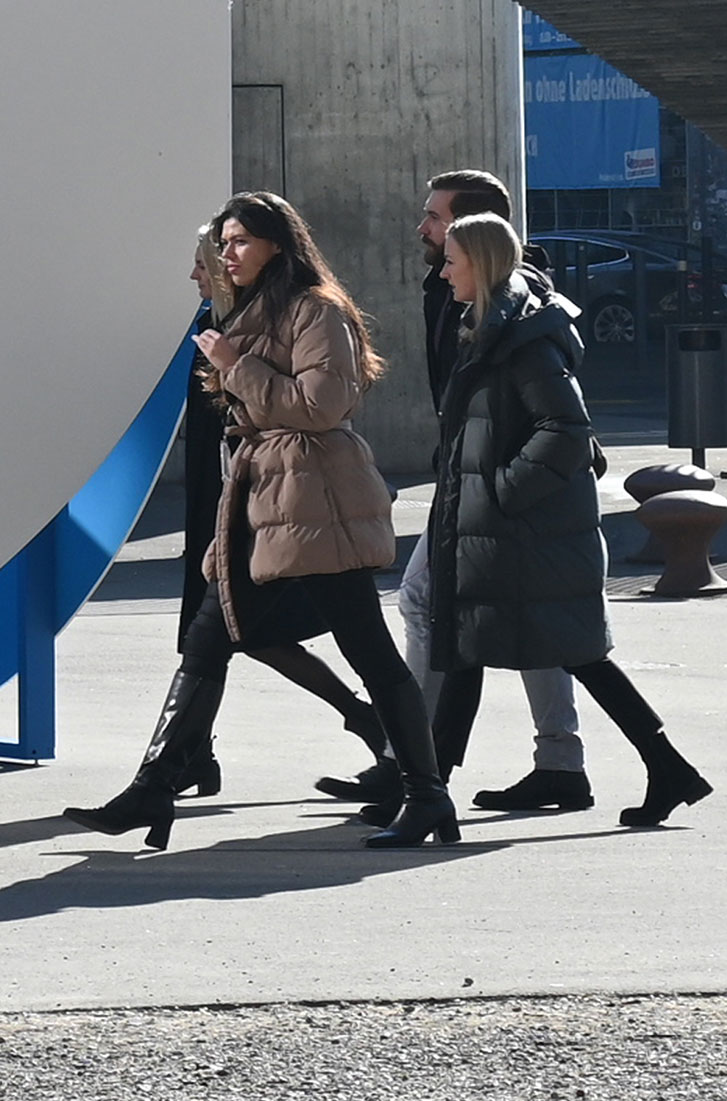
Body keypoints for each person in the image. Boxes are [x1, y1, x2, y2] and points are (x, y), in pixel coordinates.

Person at [64, 193, 447, 851]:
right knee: (208, 640)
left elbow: (320, 407)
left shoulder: (316, 310)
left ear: (278, 243)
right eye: (225, 242)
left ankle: (427, 795)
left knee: (369, 649)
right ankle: (153, 787)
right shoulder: (250, 311)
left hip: (314, 497)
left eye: (240, 241)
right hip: (260, 498)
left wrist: (236, 366)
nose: (228, 255)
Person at [381, 212, 711, 844]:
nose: (442, 271)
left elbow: (565, 430)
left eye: (452, 259)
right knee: (473, 649)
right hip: (497, 528)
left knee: (543, 651)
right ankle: (432, 795)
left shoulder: (523, 337)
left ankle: (430, 797)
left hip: (522, 532)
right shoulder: (493, 326)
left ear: (480, 261)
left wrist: (502, 493)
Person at [321, 169, 593, 817]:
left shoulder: (516, 308)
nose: (424, 231)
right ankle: (540, 763)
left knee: (439, 607)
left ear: (476, 233)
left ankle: (417, 766)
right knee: (524, 622)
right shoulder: (451, 291)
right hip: (470, 483)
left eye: (437, 220)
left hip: (493, 494)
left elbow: (561, 424)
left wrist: (499, 487)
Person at [164, 239, 393, 799]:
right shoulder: (215, 327)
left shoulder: (278, 323)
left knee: (259, 633)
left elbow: (306, 408)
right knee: (216, 635)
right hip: (229, 502)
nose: (195, 272)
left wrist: (234, 366)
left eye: (206, 262)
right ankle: (187, 757)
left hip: (282, 504)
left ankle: (396, 750)